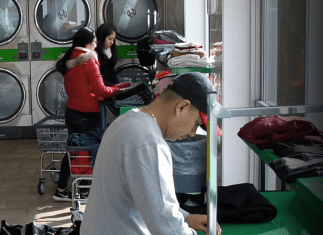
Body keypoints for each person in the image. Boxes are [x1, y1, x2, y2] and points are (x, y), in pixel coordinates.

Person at [80, 72, 222, 235]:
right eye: (196, 124)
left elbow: (146, 199)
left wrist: (186, 218)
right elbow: (166, 225)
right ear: (182, 107)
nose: (191, 133)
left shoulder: (128, 121)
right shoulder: (148, 142)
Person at [52, 27, 128, 201]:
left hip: (72, 111)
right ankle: (84, 193)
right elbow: (101, 90)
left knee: (73, 151)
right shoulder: (89, 61)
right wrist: (119, 88)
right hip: (86, 114)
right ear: (89, 42)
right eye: (95, 41)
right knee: (88, 153)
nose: (96, 44)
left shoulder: (69, 58)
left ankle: (61, 190)